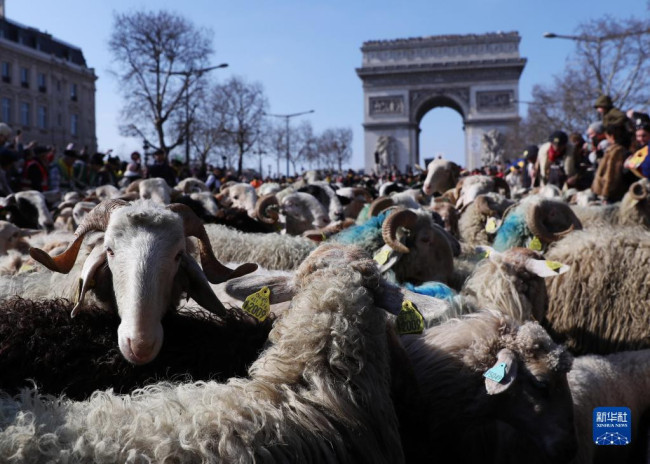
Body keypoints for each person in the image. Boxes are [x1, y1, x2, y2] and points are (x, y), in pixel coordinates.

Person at [591, 124, 631, 203]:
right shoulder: (614, 150)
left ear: (611, 136)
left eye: (607, 136)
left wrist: (606, 194)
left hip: (612, 196)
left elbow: (611, 174)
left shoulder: (616, 151)